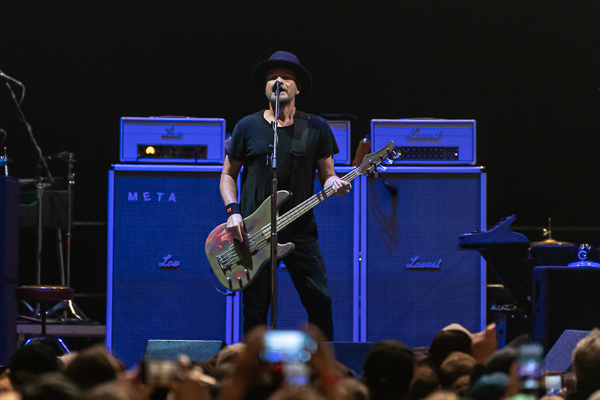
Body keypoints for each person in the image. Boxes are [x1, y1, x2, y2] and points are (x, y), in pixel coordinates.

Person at [220, 51, 351, 340]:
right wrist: (233, 212)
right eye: (272, 78)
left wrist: (333, 183)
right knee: (255, 309)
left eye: (286, 77)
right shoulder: (247, 126)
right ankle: (256, 364)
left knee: (320, 301)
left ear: (298, 88)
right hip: (254, 232)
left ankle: (322, 363)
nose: (278, 81)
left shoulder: (316, 127)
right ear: (265, 87)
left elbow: (328, 175)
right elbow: (228, 174)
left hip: (300, 230)